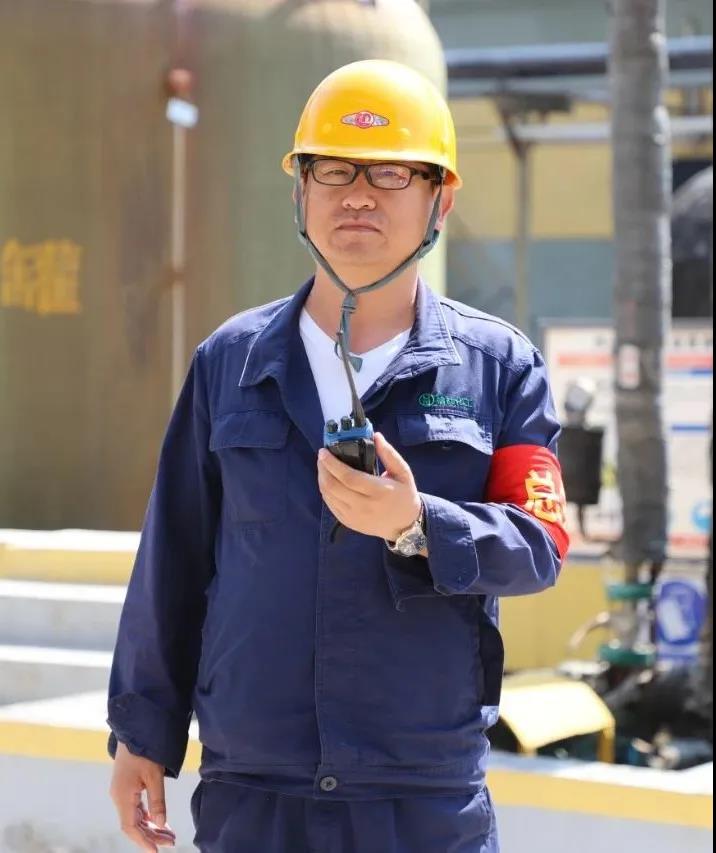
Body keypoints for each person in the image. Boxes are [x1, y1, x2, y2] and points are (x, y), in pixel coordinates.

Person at [107, 59, 569, 853]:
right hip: (255, 791)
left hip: (419, 798)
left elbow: (542, 543)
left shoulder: (497, 368)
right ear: (301, 191)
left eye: (391, 172)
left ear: (440, 200)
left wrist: (419, 523)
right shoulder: (231, 362)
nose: (358, 194)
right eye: (334, 170)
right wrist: (141, 733)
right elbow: (173, 560)